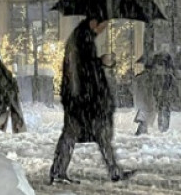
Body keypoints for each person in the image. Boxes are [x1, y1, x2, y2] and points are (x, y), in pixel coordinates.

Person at [49, 13, 134, 184]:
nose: (103, 29)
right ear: (94, 22)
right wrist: (100, 61)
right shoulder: (82, 38)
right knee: (77, 134)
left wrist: (98, 63)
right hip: (83, 99)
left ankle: (113, 170)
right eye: (103, 25)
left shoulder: (82, 36)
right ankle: (60, 171)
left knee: (86, 134)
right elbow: (82, 67)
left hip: (82, 98)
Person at [134, 53, 175, 135]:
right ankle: (146, 129)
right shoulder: (151, 76)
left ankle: (146, 129)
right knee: (149, 113)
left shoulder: (146, 76)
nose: (158, 68)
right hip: (152, 98)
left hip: (152, 98)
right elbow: (156, 87)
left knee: (150, 113)